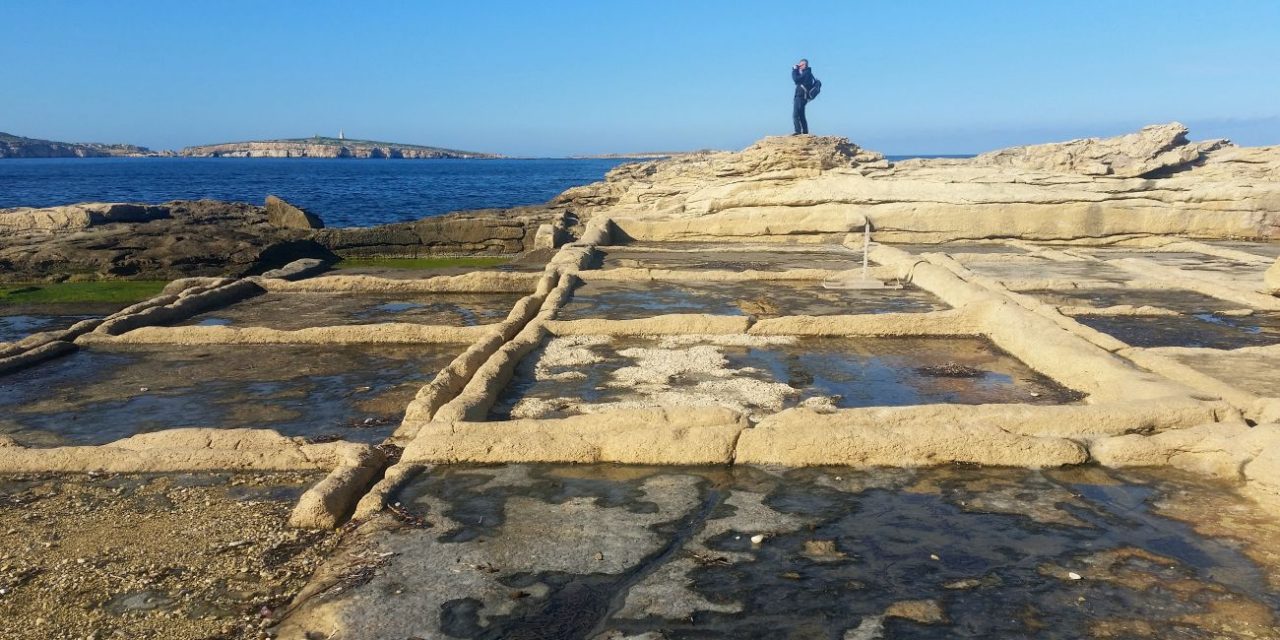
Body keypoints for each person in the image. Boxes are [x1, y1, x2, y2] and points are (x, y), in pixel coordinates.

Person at [792, 59, 817, 135]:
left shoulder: (806, 73)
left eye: (800, 65)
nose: (799, 67)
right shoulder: (807, 73)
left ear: (805, 65)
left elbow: (796, 79)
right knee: (801, 115)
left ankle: (798, 131)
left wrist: (794, 70)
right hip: (803, 97)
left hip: (801, 96)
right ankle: (805, 131)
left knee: (796, 115)